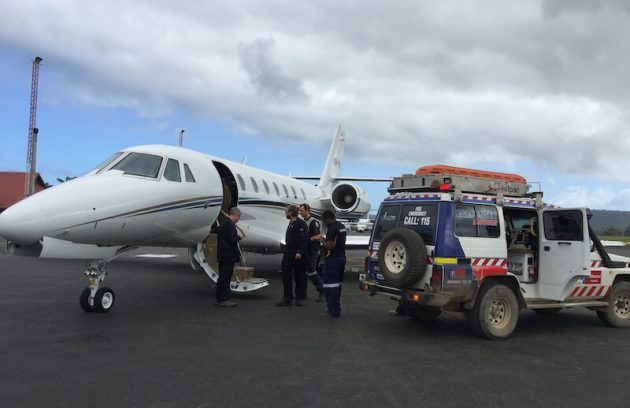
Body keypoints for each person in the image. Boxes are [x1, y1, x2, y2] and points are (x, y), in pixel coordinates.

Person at [277, 204, 309, 307]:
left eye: (287, 211)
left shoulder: (301, 224)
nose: (285, 213)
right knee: (286, 276)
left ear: (291, 213)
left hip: (297, 255)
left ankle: (299, 298)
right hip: (288, 254)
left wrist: (300, 252)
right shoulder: (290, 223)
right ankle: (287, 298)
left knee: (299, 277)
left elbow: (304, 240)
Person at [320, 210, 346, 318]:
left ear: (327, 219)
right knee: (337, 285)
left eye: (324, 221)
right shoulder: (341, 226)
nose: (324, 223)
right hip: (341, 257)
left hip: (333, 259)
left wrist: (321, 241)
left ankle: (333, 310)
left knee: (330, 286)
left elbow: (329, 245)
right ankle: (336, 308)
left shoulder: (332, 229)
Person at [215, 207, 243, 307]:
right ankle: (224, 299)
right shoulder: (230, 225)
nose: (238, 219)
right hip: (228, 256)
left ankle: (220, 298)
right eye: (238, 217)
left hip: (222, 255)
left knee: (222, 278)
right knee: (226, 278)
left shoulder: (222, 224)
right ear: (235, 215)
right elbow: (232, 239)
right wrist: (239, 237)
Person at [299, 203, 324, 302]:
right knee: (303, 272)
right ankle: (302, 294)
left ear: (307, 210)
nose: (300, 212)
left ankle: (322, 290)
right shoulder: (302, 222)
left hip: (311, 250)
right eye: (300, 211)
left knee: (312, 271)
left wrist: (308, 239)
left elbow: (319, 236)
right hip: (304, 250)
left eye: (302, 211)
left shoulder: (313, 222)